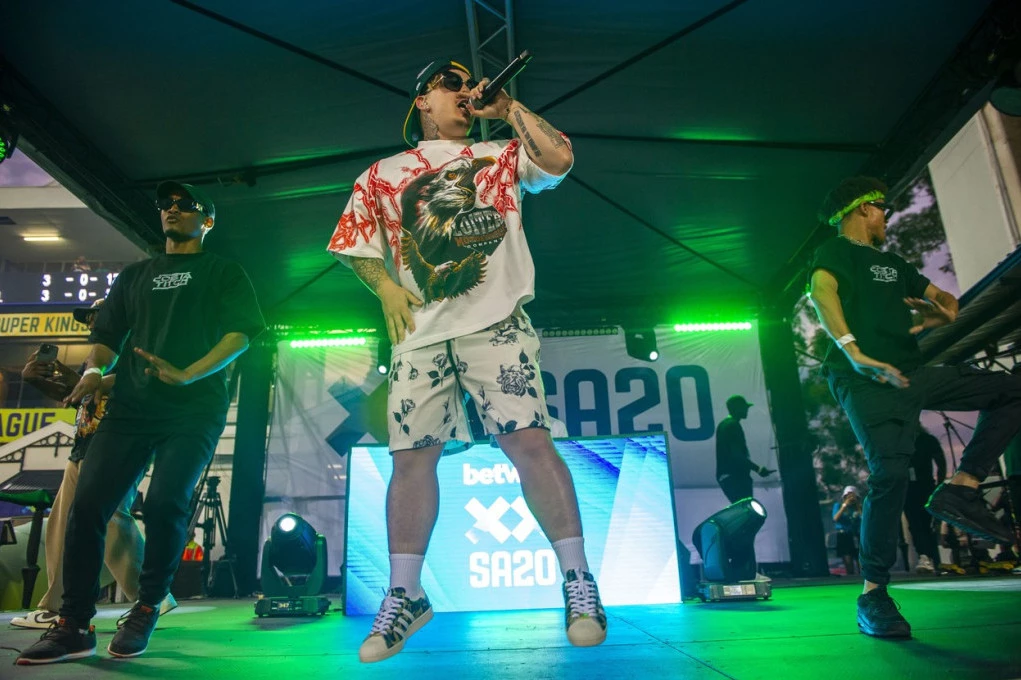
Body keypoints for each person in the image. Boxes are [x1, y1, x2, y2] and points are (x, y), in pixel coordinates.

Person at [327, 58, 605, 663]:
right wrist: (385, 286)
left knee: (530, 443)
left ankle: (578, 581)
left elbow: (559, 160)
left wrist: (506, 109)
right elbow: (354, 240)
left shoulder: (499, 154)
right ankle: (406, 593)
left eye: (467, 82)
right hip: (420, 334)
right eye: (448, 83)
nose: (463, 90)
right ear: (421, 102)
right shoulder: (382, 173)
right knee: (411, 459)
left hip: (496, 321)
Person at [17, 181, 265, 665]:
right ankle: (73, 623)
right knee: (87, 506)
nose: (172, 210)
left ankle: (147, 605)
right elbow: (107, 337)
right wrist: (93, 373)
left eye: (185, 205)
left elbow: (241, 334)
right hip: (131, 407)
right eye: (165, 205)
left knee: (165, 502)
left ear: (208, 220)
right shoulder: (134, 276)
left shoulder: (223, 271)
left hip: (194, 408)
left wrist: (188, 373)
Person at [808, 176, 1021, 639]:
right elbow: (821, 292)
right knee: (890, 474)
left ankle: (962, 488)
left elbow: (945, 300)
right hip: (863, 379)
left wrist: (941, 312)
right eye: (883, 208)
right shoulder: (835, 251)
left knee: (1011, 390)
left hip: (910, 375)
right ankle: (873, 595)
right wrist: (853, 350)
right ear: (863, 209)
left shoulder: (895, 265)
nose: (888, 216)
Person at [11, 300, 176, 630]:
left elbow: (133, 383)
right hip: (86, 444)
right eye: (88, 318)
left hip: (120, 442)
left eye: (95, 317)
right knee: (63, 523)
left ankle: (152, 596)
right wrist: (37, 379)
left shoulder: (135, 349)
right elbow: (79, 397)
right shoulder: (97, 360)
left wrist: (89, 379)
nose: (90, 323)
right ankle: (57, 606)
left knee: (110, 515)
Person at [714, 395, 775, 504]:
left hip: (728, 477)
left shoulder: (723, 425)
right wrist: (758, 469)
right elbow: (737, 455)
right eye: (744, 407)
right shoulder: (733, 425)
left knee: (742, 508)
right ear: (737, 408)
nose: (747, 410)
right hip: (736, 478)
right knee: (746, 509)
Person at [905, 428, 947, 574]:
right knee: (916, 525)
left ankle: (931, 558)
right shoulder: (899, 442)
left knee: (926, 523)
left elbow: (941, 462)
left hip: (925, 487)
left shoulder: (926, 440)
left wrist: (939, 485)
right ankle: (925, 556)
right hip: (909, 489)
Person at [832, 486, 862, 575]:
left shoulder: (859, 507)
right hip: (844, 535)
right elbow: (835, 518)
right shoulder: (838, 505)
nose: (850, 498)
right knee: (849, 564)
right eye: (848, 496)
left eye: (853, 496)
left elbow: (864, 519)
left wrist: (858, 506)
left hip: (856, 535)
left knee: (861, 563)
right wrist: (845, 505)